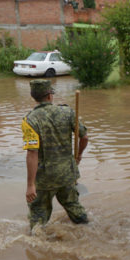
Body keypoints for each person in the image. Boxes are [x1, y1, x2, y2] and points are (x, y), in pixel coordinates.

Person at [22, 79, 89, 229]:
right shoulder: (68, 112)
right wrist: (78, 156)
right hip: (67, 175)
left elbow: (32, 153)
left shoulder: (30, 120)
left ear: (34, 97)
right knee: (76, 211)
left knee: (38, 220)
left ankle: (37, 250)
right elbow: (84, 137)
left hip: (44, 179)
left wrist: (30, 185)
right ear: (50, 96)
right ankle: (88, 232)